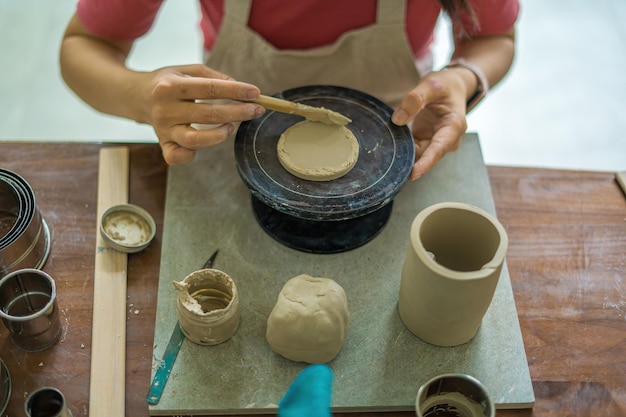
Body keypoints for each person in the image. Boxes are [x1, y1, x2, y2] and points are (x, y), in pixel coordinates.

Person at [60, 0, 519, 180]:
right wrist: (141, 95)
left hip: (404, 139)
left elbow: (494, 38)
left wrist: (463, 78)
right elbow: (83, 47)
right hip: (228, 143)